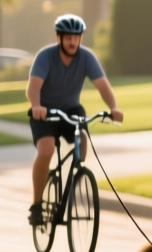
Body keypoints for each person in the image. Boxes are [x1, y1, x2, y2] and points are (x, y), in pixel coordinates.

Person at [28, 14, 123, 225]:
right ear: (59, 37)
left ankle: (74, 181)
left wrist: (113, 108)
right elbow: (33, 87)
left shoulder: (86, 57)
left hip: (71, 109)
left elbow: (103, 86)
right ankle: (36, 205)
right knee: (46, 151)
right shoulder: (45, 56)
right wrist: (36, 106)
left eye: (76, 37)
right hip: (45, 111)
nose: (72, 42)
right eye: (68, 37)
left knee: (82, 141)